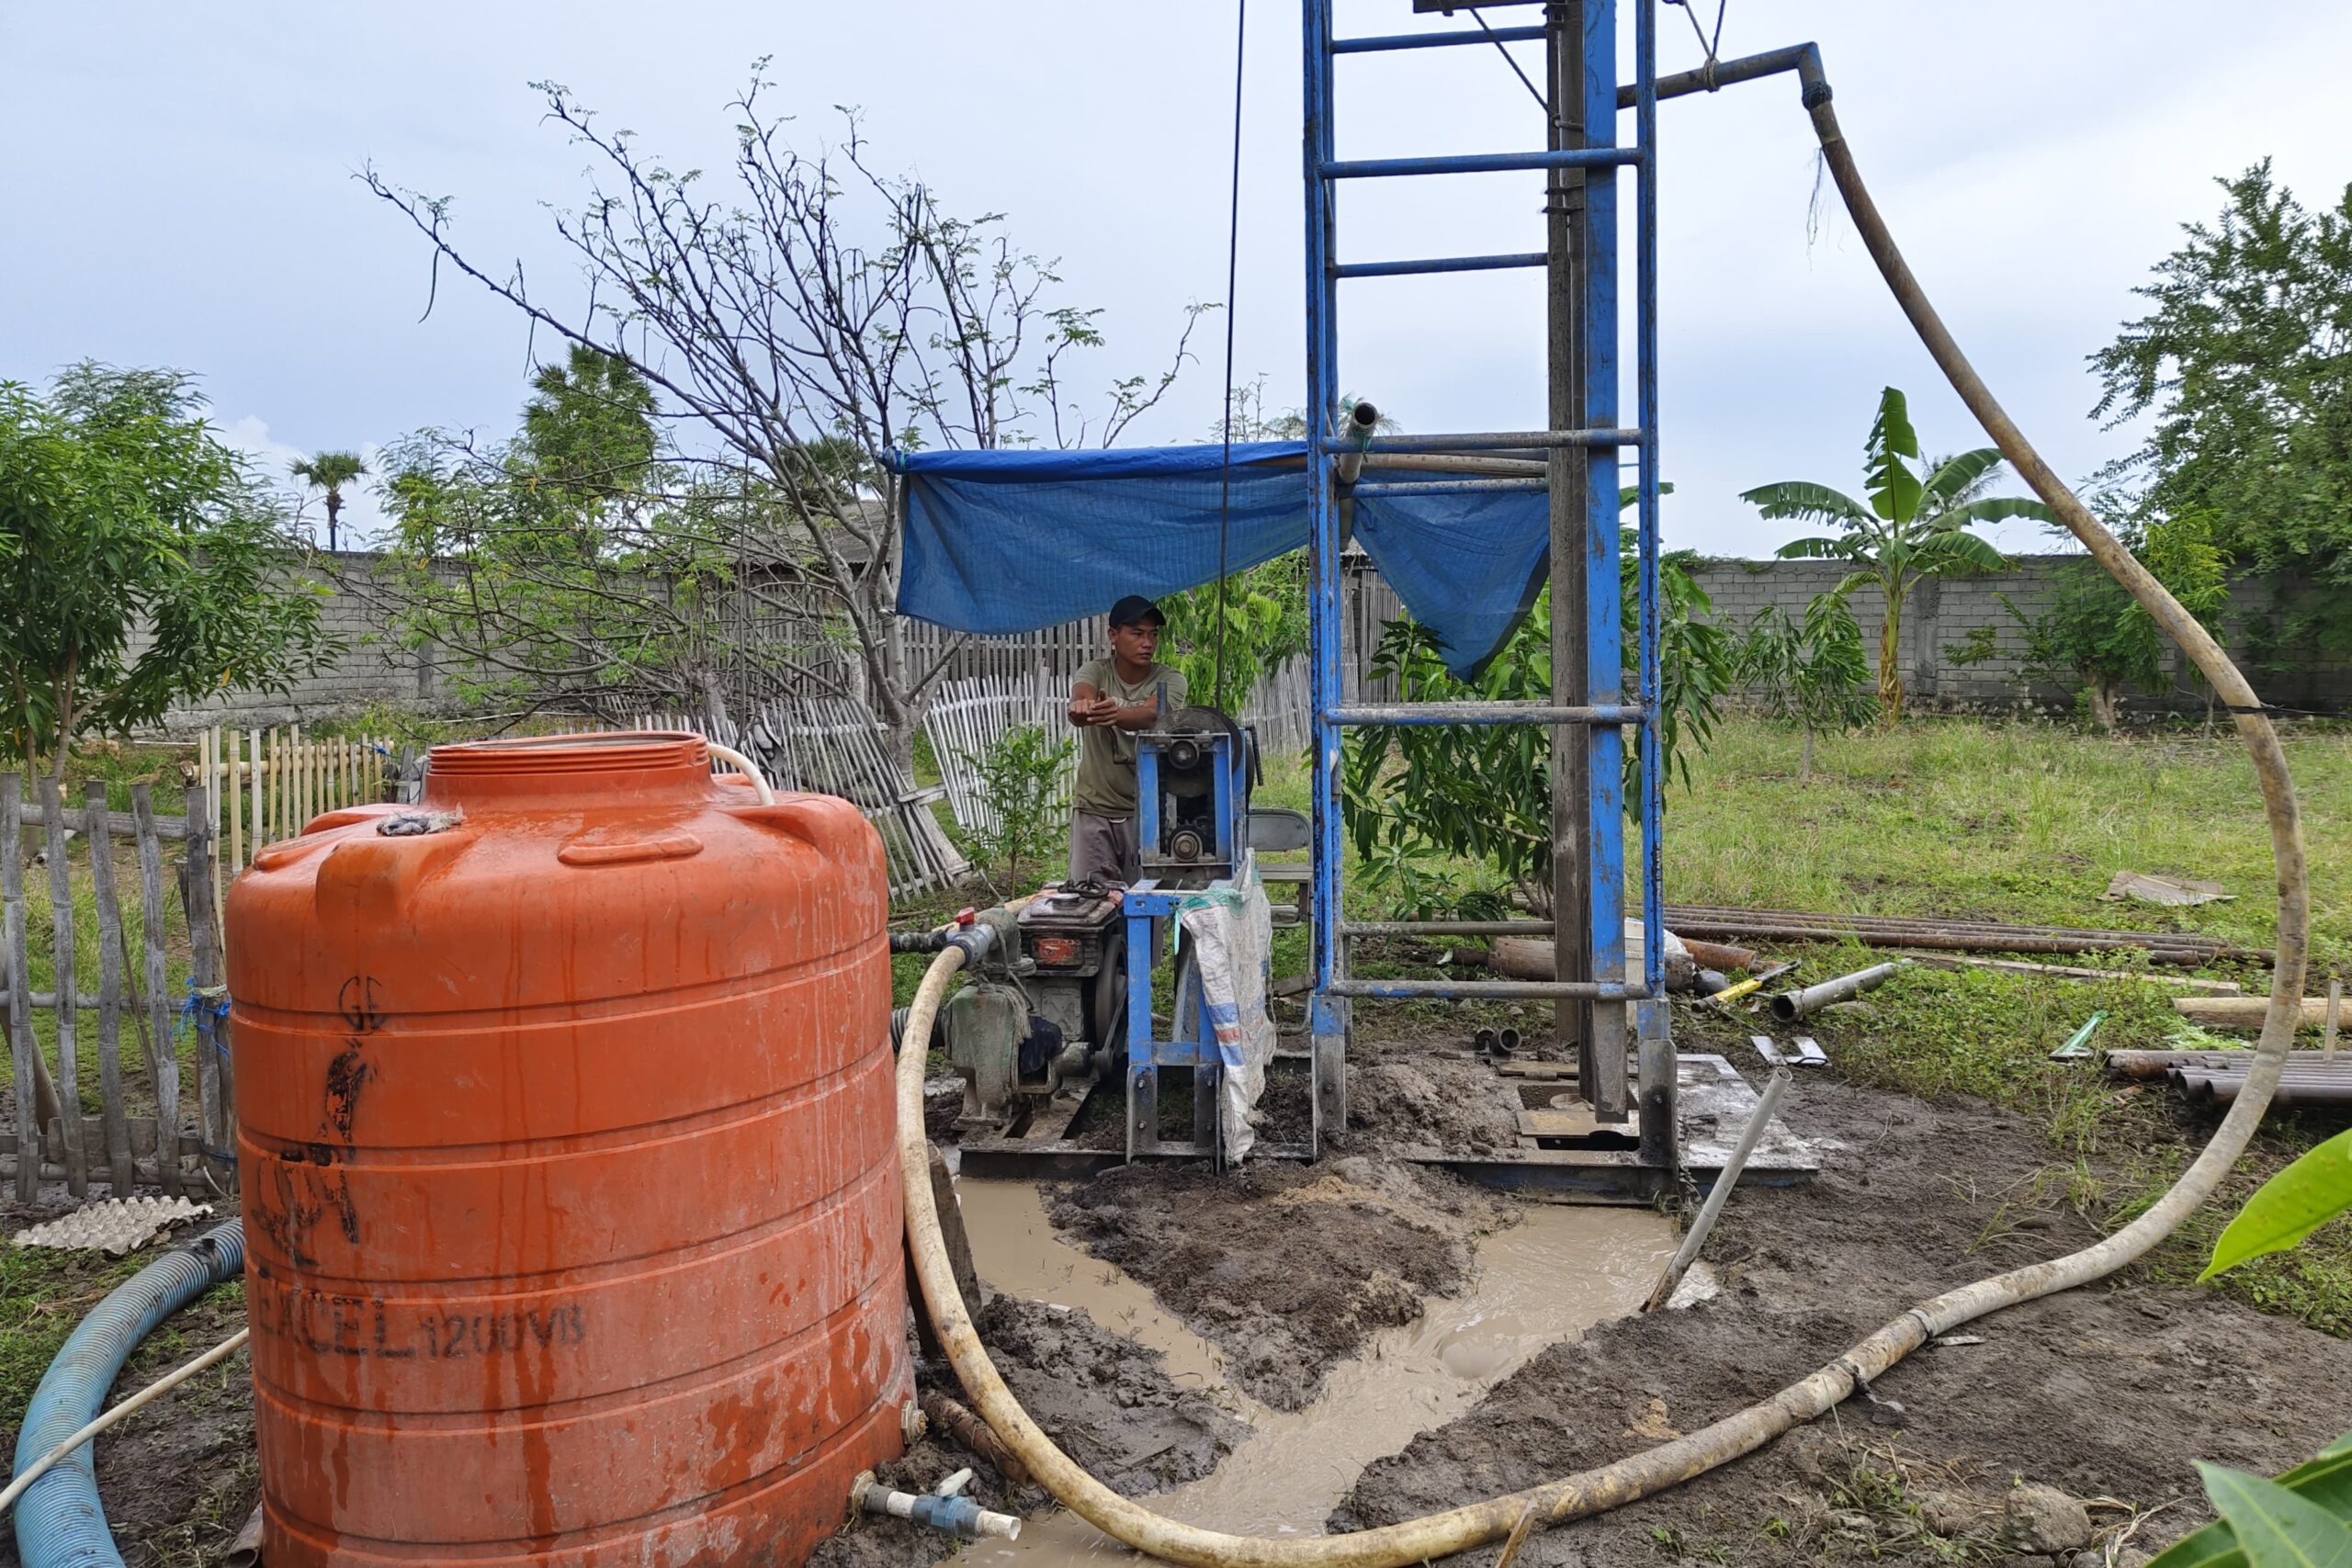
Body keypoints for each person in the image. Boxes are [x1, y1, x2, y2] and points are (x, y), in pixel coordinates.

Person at [1066, 594, 1187, 885]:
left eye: (1153, 635)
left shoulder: (1170, 678)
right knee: (1090, 907)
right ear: (1113, 635)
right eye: (1137, 634)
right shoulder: (1096, 671)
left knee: (1145, 908)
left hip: (1148, 815)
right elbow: (1081, 701)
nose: (1147, 643)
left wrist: (1115, 713)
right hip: (1095, 811)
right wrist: (1082, 709)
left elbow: (1152, 715)